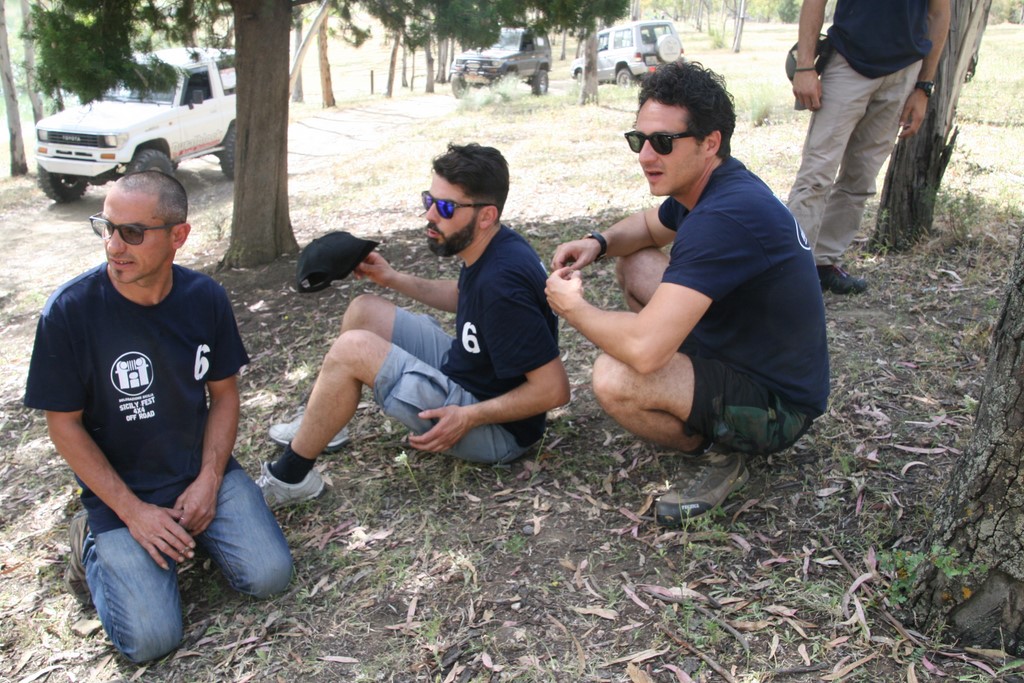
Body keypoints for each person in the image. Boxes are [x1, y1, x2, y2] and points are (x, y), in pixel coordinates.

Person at [24, 171, 293, 663]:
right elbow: (63, 424)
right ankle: (91, 545)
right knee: (151, 641)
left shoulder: (205, 297)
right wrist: (132, 512)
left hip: (196, 472)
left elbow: (224, 396)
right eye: (106, 227)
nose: (113, 245)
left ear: (178, 236)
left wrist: (210, 479)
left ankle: (191, 529)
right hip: (120, 495)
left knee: (270, 577)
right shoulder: (68, 312)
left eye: (132, 232)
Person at [546, 61, 830, 524]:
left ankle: (718, 451)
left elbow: (643, 350)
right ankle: (697, 401)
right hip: (739, 349)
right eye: (638, 140)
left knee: (615, 377)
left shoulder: (723, 218)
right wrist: (598, 243)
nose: (645, 156)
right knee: (636, 262)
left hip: (777, 406)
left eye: (662, 142)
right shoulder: (713, 185)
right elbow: (645, 228)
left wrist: (573, 308)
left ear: (709, 142)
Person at [258, 143, 570, 507]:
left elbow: (553, 390)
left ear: (486, 215)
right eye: (429, 200)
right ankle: (322, 422)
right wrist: (392, 279)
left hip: (498, 430)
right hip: (466, 375)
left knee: (352, 350)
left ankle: (290, 477)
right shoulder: (496, 244)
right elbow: (466, 297)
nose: (430, 215)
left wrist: (469, 416)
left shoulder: (502, 283)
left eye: (446, 208)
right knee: (363, 311)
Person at [787, 0, 951, 294]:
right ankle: (790, 273)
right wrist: (805, 65)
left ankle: (824, 263)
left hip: (904, 72)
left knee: (860, 178)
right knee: (816, 174)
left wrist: (924, 87)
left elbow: (939, 12)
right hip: (847, 61)